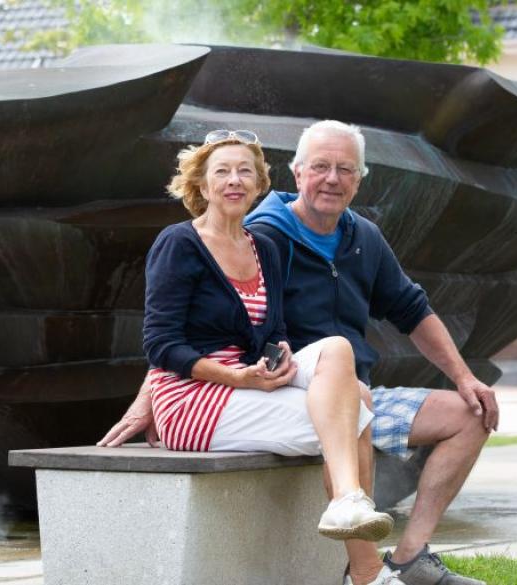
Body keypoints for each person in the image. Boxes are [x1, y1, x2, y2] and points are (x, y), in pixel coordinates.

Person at [102, 121, 495, 585]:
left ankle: (403, 559)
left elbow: (407, 309)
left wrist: (464, 377)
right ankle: (364, 564)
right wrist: (152, 392)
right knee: (356, 409)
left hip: (303, 381)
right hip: (233, 392)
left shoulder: (339, 238)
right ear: (297, 172)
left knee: (432, 401)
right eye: (321, 167)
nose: (332, 178)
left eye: (344, 169)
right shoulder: (247, 233)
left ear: (360, 177)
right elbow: (168, 336)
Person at [134, 129, 403, 585]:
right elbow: (160, 344)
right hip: (193, 399)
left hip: (247, 382)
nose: (234, 180)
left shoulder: (266, 248)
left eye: (245, 171)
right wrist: (238, 378)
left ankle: (350, 513)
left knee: (342, 361)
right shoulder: (179, 244)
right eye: (222, 172)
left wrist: (274, 366)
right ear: (201, 185)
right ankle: (365, 563)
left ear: (260, 185)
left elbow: (273, 333)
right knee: (354, 410)